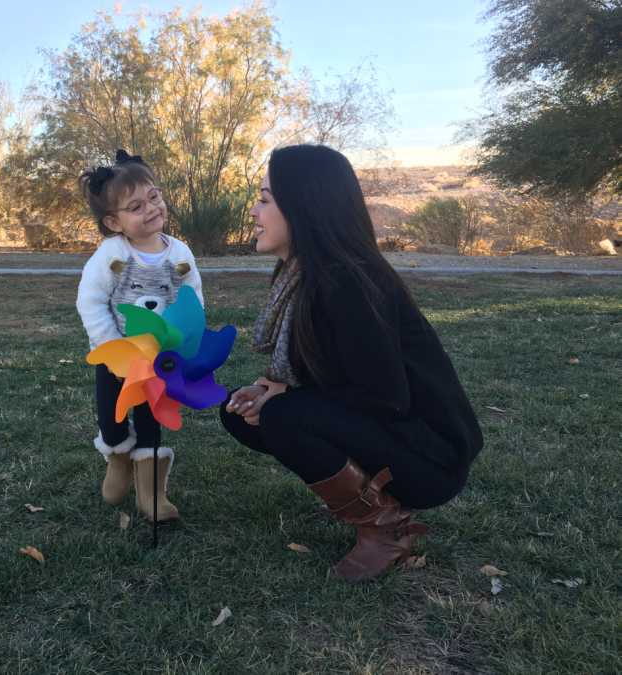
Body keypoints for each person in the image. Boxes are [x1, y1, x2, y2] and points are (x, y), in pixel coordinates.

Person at [219, 144, 483, 581]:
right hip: (393, 437)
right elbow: (322, 366)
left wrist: (285, 397)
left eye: (265, 200)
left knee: (283, 415)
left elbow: (386, 397)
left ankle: (385, 530)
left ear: (304, 206)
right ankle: (359, 496)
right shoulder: (303, 274)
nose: (253, 211)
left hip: (430, 458)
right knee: (241, 413)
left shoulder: (348, 283)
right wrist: (269, 386)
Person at [77, 149, 203, 522]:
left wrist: (184, 341)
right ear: (114, 222)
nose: (151, 208)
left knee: (152, 423)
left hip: (159, 361)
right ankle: (117, 459)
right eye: (136, 206)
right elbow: (91, 301)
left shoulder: (179, 252)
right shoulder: (111, 254)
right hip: (116, 358)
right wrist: (112, 348)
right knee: (112, 421)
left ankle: (151, 493)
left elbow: (191, 298)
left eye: (154, 196)